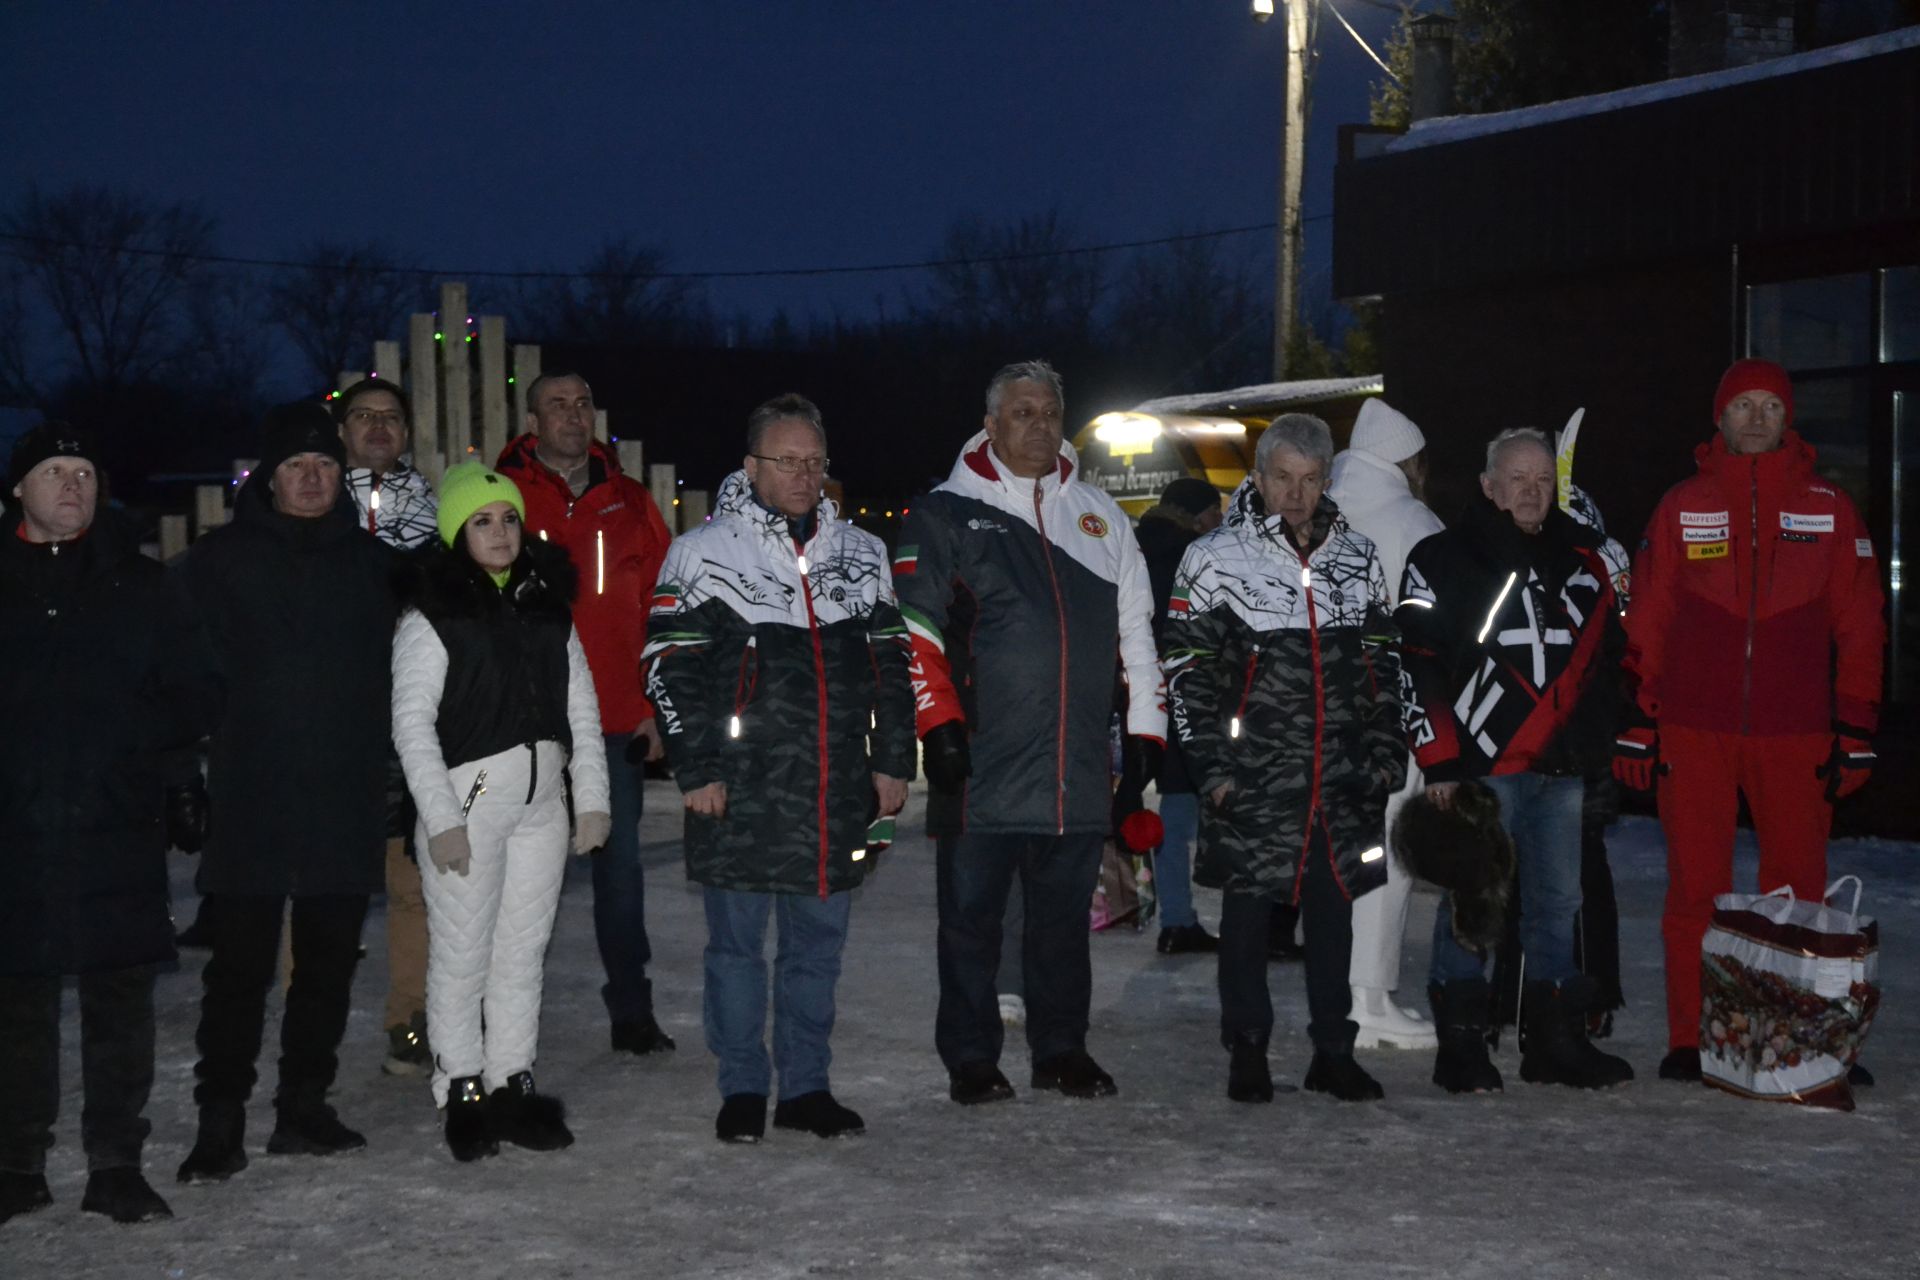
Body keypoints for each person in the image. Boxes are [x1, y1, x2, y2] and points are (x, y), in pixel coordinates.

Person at [645, 395, 915, 1143]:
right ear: (751, 468)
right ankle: (741, 1087)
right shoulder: (702, 553)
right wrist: (696, 768)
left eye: (815, 462)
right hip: (738, 790)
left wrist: (893, 760)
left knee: (816, 950)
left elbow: (894, 665)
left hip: (834, 791)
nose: (805, 476)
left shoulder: (862, 554)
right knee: (736, 951)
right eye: (788, 462)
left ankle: (805, 1087)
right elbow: (670, 668)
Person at [896, 359, 1164, 1105]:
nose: (1039, 425)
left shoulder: (1100, 516)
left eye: (1049, 412)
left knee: (1061, 930)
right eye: (1022, 412)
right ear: (990, 424)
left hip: (1074, 767)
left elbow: (1136, 632)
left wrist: (1144, 729)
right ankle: (973, 1058)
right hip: (981, 764)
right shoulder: (947, 512)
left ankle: (1061, 1050)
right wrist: (939, 726)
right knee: (971, 928)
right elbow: (913, 627)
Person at [1618, 358, 1885, 1084]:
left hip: (1796, 731)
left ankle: (1803, 1041)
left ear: (1787, 417)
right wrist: (1642, 719)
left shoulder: (1831, 508)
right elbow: (1649, 616)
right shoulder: (1681, 505)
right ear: (1720, 420)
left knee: (1796, 887)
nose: (1758, 418)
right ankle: (1691, 1039)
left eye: (1771, 406)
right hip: (1694, 728)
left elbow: (1861, 626)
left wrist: (1855, 729)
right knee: (1694, 888)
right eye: (1744, 407)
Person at [173, 401, 397, 1183]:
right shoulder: (215, 563)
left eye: (326, 467)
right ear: (269, 477)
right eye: (298, 466)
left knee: (328, 966)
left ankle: (304, 1106)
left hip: (342, 798)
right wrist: (181, 777)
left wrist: (398, 779)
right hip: (251, 800)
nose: (312, 478)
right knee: (236, 973)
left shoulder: (374, 567)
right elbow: (172, 678)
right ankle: (220, 1120)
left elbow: (407, 681)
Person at [1164, 415, 1403, 1104]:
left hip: (1343, 776)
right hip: (1253, 776)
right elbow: (1187, 667)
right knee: (1247, 915)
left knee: (1334, 912)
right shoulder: (1214, 557)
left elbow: (1385, 663)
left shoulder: (1356, 557)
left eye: (1310, 479)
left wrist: (1387, 753)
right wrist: (1212, 769)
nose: (1296, 494)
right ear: (1260, 479)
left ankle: (1333, 1049)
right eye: (1283, 479)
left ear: (1327, 479)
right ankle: (1248, 1046)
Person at [1397, 427, 1634, 1093]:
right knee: (1475, 902)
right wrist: (1440, 761)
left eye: (1542, 480)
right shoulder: (1440, 557)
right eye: (1517, 479)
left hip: (1562, 767)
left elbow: (1613, 666)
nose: (1531, 492)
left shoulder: (1584, 562)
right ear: (1487, 486)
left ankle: (1553, 1042)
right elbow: (1415, 662)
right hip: (1481, 767)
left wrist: (1602, 749)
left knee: (1559, 904)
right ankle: (1462, 1047)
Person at [0, 425, 196, 1225]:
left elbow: (183, 691)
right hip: (14, 827)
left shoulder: (142, 586)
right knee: (17, 1002)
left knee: (119, 1003)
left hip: (117, 822)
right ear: (19, 488)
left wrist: (178, 783)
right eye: (55, 471)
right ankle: (16, 1162)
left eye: (85, 472)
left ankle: (115, 1163)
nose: (72, 486)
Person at [391, 462, 610, 1161]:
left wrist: (592, 798)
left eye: (509, 518)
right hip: (472, 802)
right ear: (457, 531)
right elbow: (411, 724)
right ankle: (460, 1086)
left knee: (522, 954)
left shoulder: (547, 607)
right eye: (482, 520)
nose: (500, 532)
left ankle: (512, 1079)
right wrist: (443, 817)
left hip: (541, 805)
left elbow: (581, 706)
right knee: (462, 955)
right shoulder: (433, 616)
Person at [497, 372, 677, 1055]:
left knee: (620, 873)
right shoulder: (502, 495)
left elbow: (664, 609)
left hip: (614, 720)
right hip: (520, 721)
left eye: (582, 405)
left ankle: (631, 1009)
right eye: (557, 405)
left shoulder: (629, 502)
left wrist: (656, 708)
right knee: (513, 871)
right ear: (533, 418)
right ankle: (500, 1016)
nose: (573, 416)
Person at [1325, 398, 1444, 1051]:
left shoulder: (1323, 509)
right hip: (1390, 714)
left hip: (1318, 710)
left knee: (1340, 853)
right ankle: (1367, 998)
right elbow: (1438, 624)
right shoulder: (1412, 520)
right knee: (1387, 853)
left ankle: (1338, 991)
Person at [335, 377, 438, 1078]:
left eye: (391, 418)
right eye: (364, 418)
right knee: (320, 882)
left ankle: (410, 1019)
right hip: (326, 723)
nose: (378, 429)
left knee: (413, 883)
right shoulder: (310, 499)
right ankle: (306, 1021)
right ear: (342, 430)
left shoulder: (437, 513)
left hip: (410, 725)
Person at [1131, 476, 1224, 957]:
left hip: (1147, 694)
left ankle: (1175, 917)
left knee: (1173, 802)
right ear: (1197, 514)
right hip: (1192, 693)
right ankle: (1184, 919)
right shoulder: (1194, 554)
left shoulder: (1134, 544)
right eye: (1214, 513)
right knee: (1204, 802)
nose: (1219, 522)